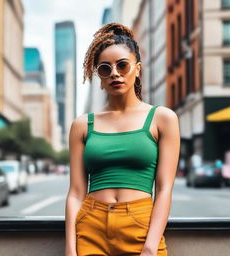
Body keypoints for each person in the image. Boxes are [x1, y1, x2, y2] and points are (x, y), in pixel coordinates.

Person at [65, 23, 180, 256]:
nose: (115, 73)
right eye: (105, 69)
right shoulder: (81, 125)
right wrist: (70, 248)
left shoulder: (162, 118)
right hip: (91, 226)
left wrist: (150, 246)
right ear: (99, 76)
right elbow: (76, 192)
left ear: (137, 69)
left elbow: (165, 188)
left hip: (141, 225)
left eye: (123, 65)